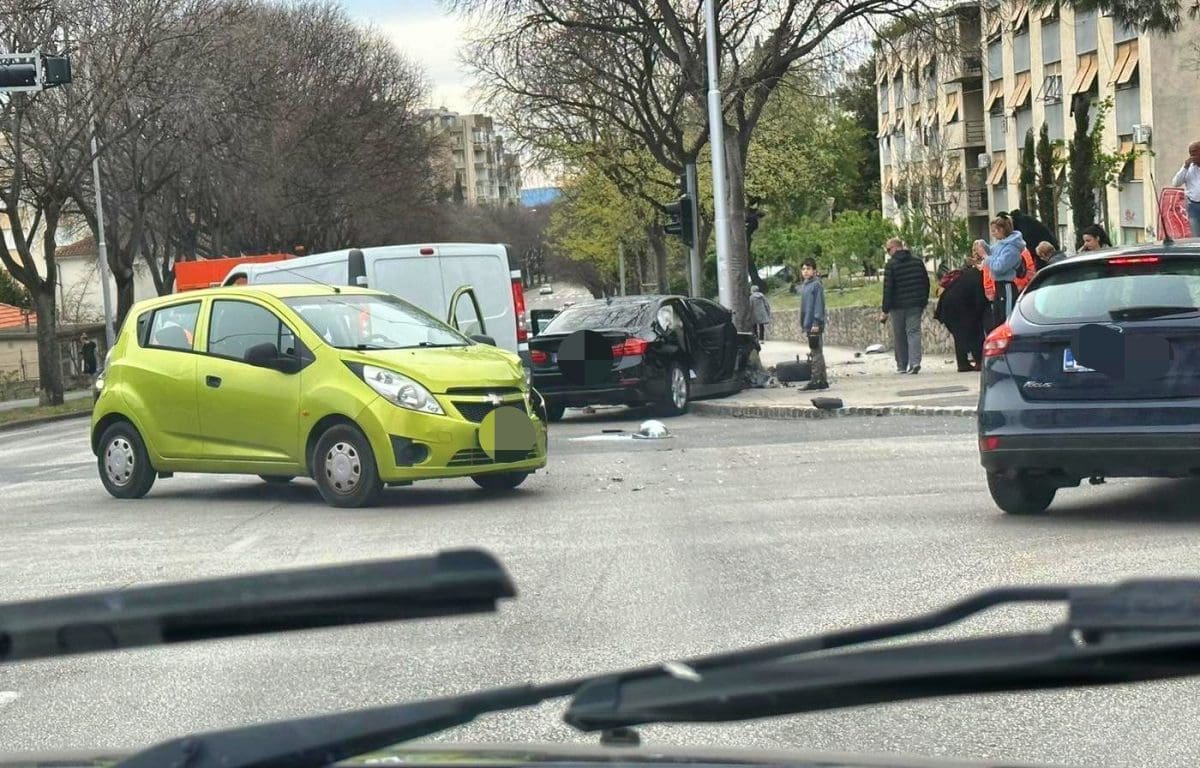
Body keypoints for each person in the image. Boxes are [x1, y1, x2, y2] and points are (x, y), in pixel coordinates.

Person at [880, 237, 930, 375]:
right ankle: (915, 362)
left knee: (900, 335)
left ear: (895, 247)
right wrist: (923, 301)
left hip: (897, 306)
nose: (888, 252)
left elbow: (888, 289)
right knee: (914, 332)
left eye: (888, 249)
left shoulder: (891, 265)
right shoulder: (917, 262)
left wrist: (885, 310)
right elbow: (925, 282)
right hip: (915, 304)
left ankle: (902, 365)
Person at [934, 249, 988, 372]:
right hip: (957, 306)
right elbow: (980, 299)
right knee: (975, 332)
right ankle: (979, 362)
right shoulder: (980, 276)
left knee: (961, 334)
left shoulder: (968, 273)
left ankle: (963, 364)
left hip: (948, 306)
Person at [986, 214, 1027, 326]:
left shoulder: (1011, 249)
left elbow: (999, 267)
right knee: (997, 319)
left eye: (994, 230)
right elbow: (991, 252)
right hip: (998, 286)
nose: (993, 234)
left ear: (1002, 230)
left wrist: (986, 258)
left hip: (1006, 286)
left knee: (1006, 319)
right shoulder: (1000, 245)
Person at [799, 257, 828, 391]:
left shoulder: (816, 285)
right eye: (803, 269)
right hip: (808, 323)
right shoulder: (805, 285)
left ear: (814, 270)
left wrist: (816, 322)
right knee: (816, 351)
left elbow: (818, 305)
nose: (805, 271)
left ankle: (816, 379)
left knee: (816, 353)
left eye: (808, 269)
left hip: (814, 324)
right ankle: (822, 379)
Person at [1171, 141, 1200, 237]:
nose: (1192, 156)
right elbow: (1175, 183)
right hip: (1194, 206)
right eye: (1190, 153)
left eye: (1195, 152)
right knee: (1196, 237)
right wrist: (1185, 167)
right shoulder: (1188, 168)